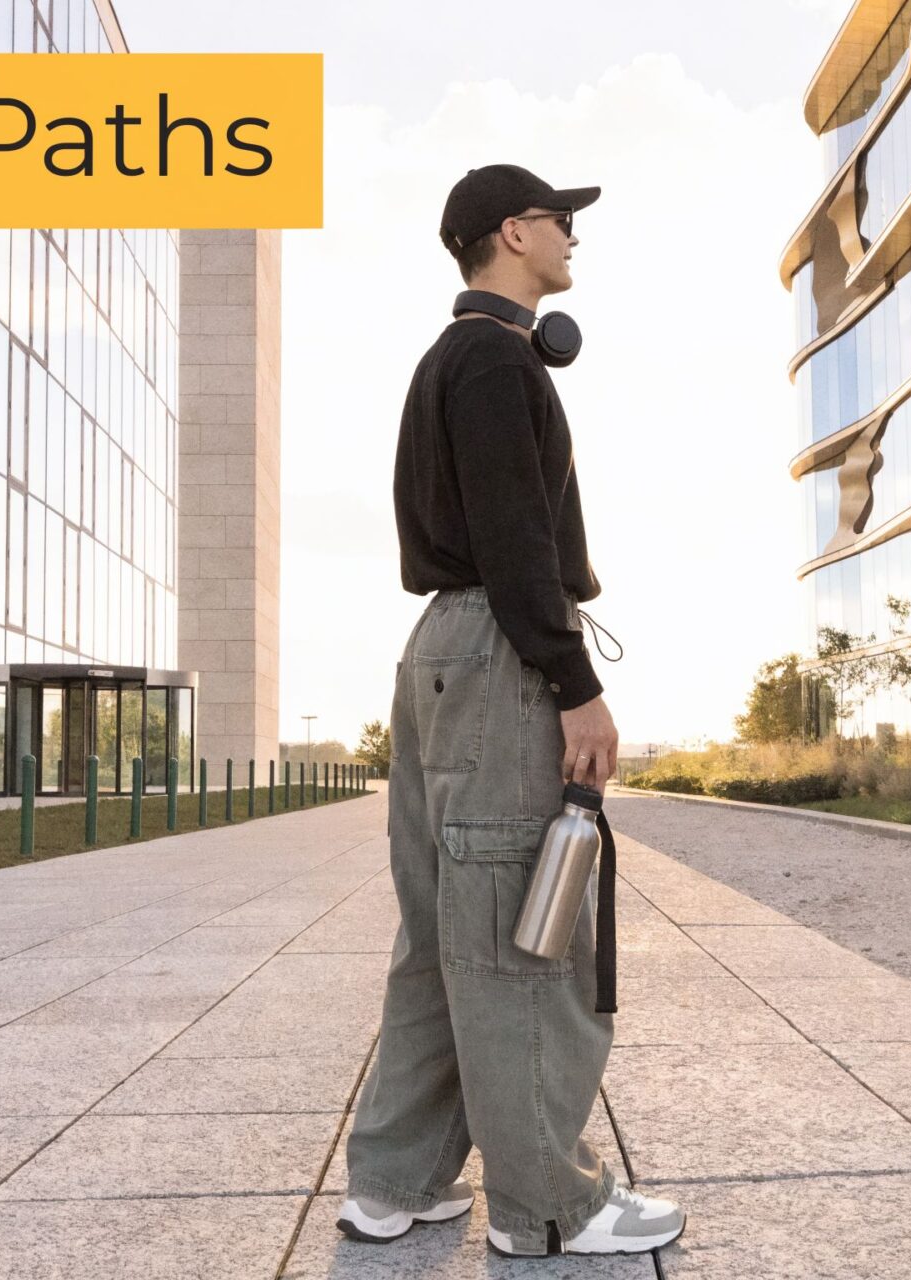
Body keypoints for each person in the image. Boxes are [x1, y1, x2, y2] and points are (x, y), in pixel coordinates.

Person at [333, 163, 685, 1258]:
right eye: (558, 221)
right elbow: (514, 532)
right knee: (511, 936)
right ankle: (547, 1207)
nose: (572, 237)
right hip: (497, 649)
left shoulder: (456, 356)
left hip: (443, 649)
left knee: (441, 926)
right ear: (511, 231)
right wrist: (573, 682)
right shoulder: (492, 357)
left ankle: (393, 1181)